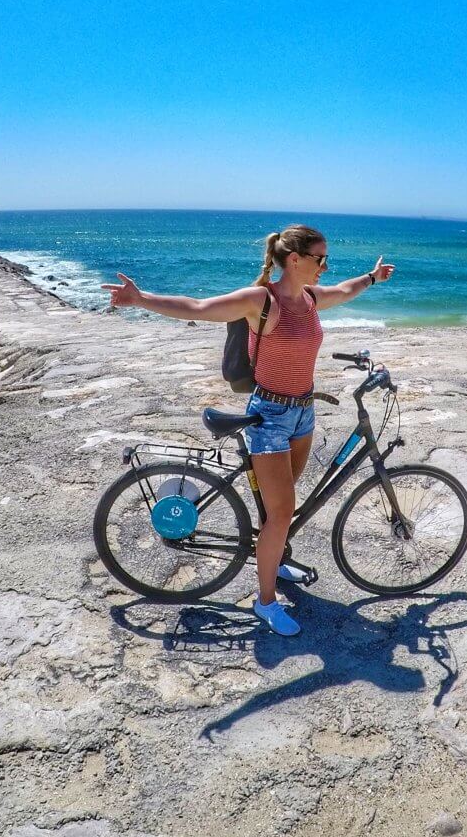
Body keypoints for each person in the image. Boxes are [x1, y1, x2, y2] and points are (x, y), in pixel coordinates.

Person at [102, 224, 394, 636]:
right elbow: (200, 308)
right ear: (294, 260)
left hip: (302, 414)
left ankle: (274, 559)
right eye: (320, 259)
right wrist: (140, 299)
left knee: (281, 509)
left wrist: (371, 278)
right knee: (280, 513)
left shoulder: (310, 299)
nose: (326, 266)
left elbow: (345, 291)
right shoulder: (262, 301)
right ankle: (265, 601)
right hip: (269, 417)